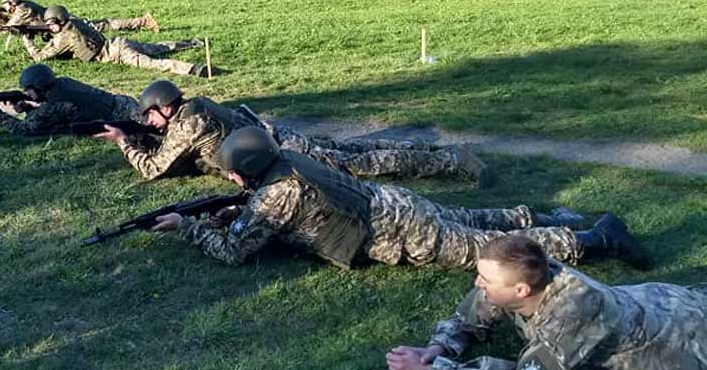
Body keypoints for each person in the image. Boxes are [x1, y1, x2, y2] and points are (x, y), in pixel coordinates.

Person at [148, 126, 652, 272]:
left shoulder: (271, 197)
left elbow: (236, 252)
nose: (232, 180)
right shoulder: (288, 163)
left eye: (236, 175)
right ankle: (553, 215)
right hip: (393, 202)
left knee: (488, 250)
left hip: (396, 230)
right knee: (475, 217)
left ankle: (593, 237)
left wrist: (187, 227)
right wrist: (237, 212)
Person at [386, 235, 706, 370]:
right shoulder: (522, 273)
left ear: (522, 290)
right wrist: (440, 347)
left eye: (484, 278)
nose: (477, 284)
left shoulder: (572, 315)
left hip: (690, 333)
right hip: (660, 300)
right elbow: (472, 313)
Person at [95, 80, 492, 185]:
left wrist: (126, 142)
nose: (148, 122)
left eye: (150, 116)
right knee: (355, 149)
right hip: (271, 136)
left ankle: (451, 160)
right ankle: (438, 151)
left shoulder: (187, 124)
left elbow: (155, 169)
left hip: (277, 152)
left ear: (166, 108)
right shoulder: (195, 104)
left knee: (362, 164)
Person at [21, 6, 206, 77]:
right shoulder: (74, 22)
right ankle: (191, 42)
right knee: (158, 47)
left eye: (51, 24)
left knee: (154, 63)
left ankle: (193, 69)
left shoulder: (63, 38)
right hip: (118, 42)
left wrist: (27, 40)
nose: (49, 27)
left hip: (116, 53)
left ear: (59, 22)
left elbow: (40, 57)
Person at [0, 64, 144, 136]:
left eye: (28, 89)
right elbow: (61, 113)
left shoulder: (51, 105)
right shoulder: (62, 83)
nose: (26, 92)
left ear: (39, 86)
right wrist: (28, 108)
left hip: (120, 118)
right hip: (123, 102)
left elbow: (24, 129)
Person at [0, 0, 159, 33]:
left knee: (102, 25)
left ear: (12, 2)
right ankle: (143, 21)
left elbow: (6, 30)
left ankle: (143, 21)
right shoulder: (23, 7)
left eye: (5, 4)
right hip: (59, 22)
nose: (4, 7)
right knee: (103, 24)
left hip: (65, 23)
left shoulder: (23, 10)